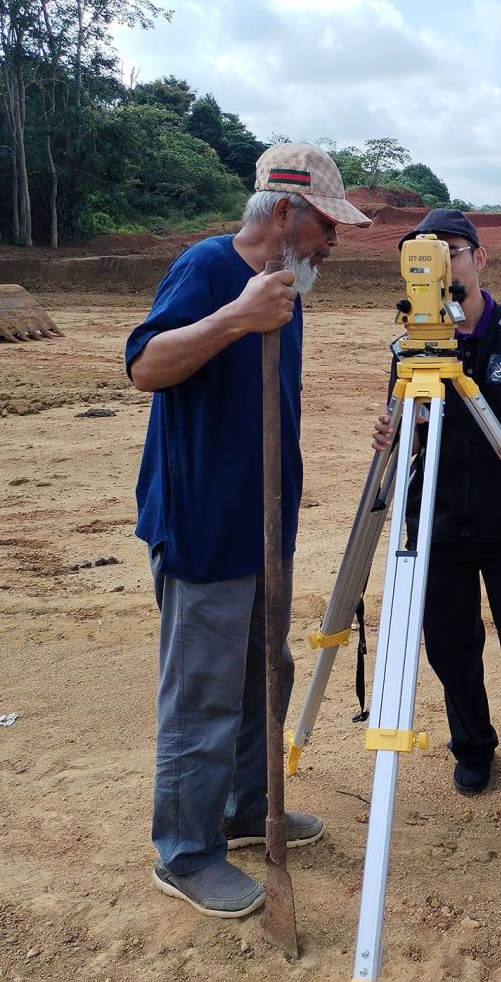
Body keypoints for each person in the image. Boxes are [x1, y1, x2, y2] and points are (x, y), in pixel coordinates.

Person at [126, 143, 372, 918]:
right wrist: (234, 317)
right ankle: (186, 853)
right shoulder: (206, 269)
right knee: (203, 695)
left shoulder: (288, 287)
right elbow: (144, 365)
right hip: (204, 525)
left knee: (268, 672)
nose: (335, 242)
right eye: (328, 225)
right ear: (287, 213)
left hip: (264, 523)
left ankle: (243, 809)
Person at [372, 209, 501, 815]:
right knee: (448, 642)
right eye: (426, 251)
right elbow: (415, 427)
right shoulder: (409, 343)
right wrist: (394, 429)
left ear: (478, 258)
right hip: (437, 517)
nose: (442, 262)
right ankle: (473, 747)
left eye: (452, 250)